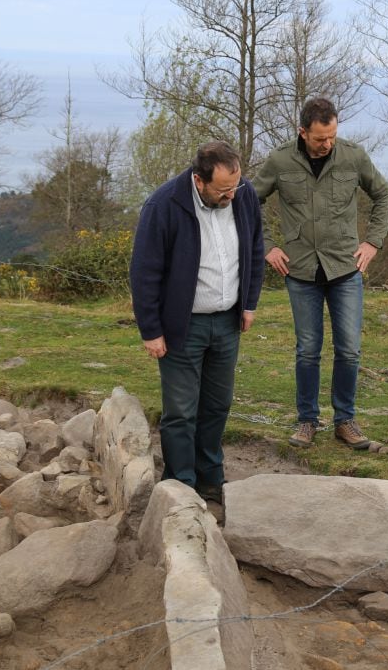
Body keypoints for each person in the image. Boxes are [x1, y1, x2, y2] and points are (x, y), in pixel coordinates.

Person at [130, 141, 265, 523]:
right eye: (223, 190)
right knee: (180, 412)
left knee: (217, 404)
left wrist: (249, 302)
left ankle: (210, 478)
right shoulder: (163, 206)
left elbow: (255, 246)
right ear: (198, 180)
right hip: (180, 326)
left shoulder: (244, 194)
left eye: (235, 187)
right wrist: (151, 329)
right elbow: (144, 272)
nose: (231, 196)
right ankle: (180, 486)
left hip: (227, 321)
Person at [253, 97, 388, 451]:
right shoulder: (280, 160)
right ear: (302, 132)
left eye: (331, 136)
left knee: (349, 350)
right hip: (300, 270)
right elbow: (248, 201)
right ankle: (307, 421)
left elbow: (383, 193)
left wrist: (372, 242)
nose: (327, 144)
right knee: (308, 350)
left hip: (345, 268)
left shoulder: (353, 156)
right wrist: (267, 245)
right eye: (319, 138)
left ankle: (345, 420)